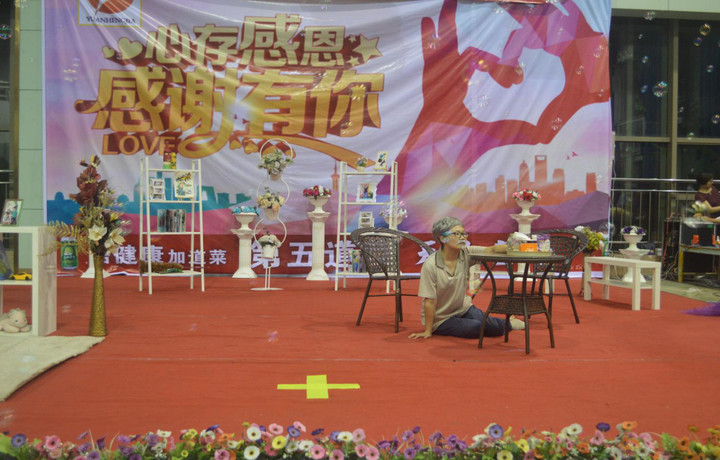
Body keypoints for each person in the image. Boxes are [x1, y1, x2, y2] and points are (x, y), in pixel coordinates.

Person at [408, 217, 525, 340]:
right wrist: (428, 330)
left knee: (490, 326)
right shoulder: (431, 265)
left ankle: (507, 324)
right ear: (443, 238)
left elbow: (491, 250)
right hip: (441, 319)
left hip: (463, 309)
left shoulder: (466, 253)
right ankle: (504, 324)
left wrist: (516, 247)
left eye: (464, 233)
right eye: (456, 234)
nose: (462, 237)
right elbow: (429, 301)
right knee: (475, 327)